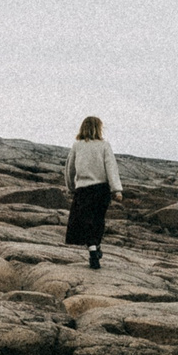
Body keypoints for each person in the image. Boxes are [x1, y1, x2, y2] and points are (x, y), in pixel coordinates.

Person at [61, 115, 122, 269]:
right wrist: (116, 189)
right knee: (97, 220)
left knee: (85, 222)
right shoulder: (104, 146)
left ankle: (93, 251)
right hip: (101, 190)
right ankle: (96, 247)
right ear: (99, 128)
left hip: (83, 190)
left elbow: (69, 169)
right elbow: (111, 168)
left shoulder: (77, 145)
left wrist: (71, 187)